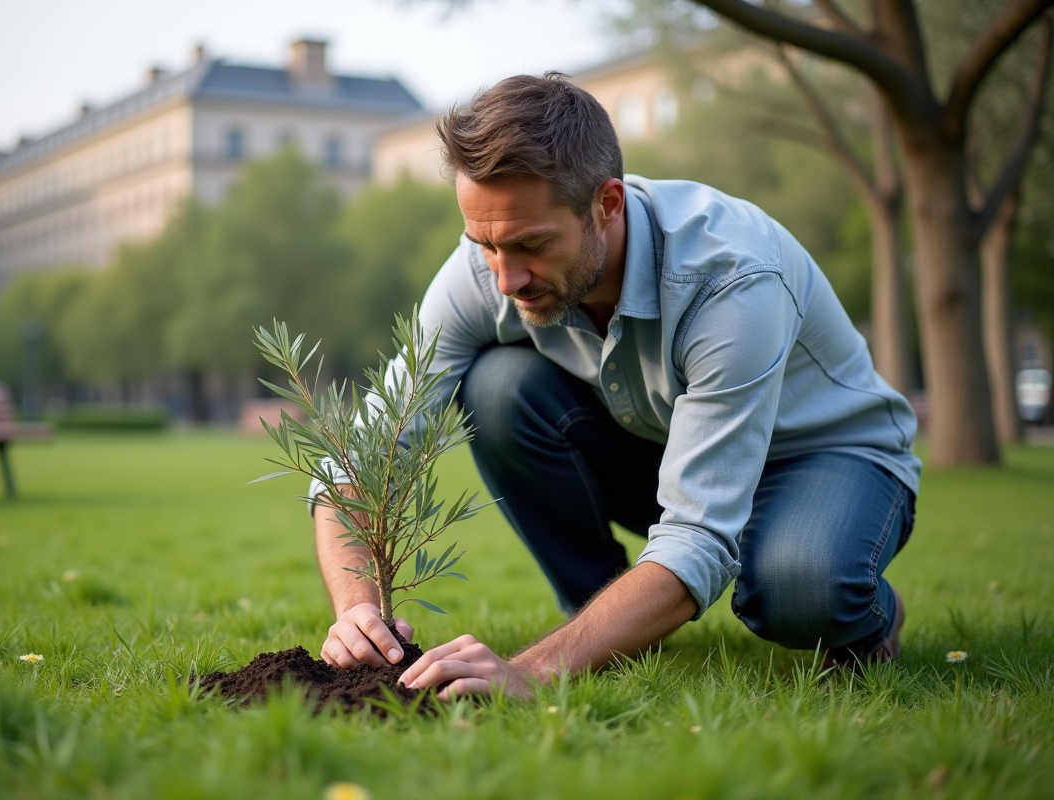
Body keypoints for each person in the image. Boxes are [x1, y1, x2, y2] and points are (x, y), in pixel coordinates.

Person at [313, 73, 920, 700]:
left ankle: (871, 614)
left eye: (531, 245)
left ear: (608, 203)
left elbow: (699, 534)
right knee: (498, 387)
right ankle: (605, 622)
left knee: (798, 589)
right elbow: (367, 455)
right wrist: (356, 608)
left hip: (826, 460)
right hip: (665, 446)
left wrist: (531, 672)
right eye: (484, 244)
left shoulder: (733, 281)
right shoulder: (489, 263)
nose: (504, 278)